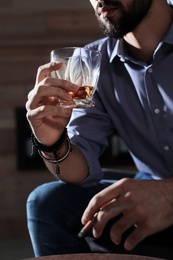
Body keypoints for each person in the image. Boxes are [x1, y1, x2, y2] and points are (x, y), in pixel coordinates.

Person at [26, 0, 173, 258]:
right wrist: (51, 141)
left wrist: (169, 195)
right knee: (48, 203)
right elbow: (78, 169)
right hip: (151, 188)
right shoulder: (92, 63)